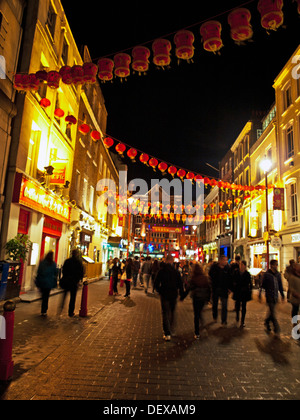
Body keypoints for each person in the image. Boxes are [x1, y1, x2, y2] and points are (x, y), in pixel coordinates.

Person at [154, 254, 185, 341]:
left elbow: (156, 283)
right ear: (172, 261)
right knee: (172, 312)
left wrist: (160, 291)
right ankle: (171, 329)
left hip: (164, 294)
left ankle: (167, 333)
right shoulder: (176, 271)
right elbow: (180, 284)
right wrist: (182, 294)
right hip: (173, 294)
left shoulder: (161, 271)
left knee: (165, 313)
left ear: (165, 260)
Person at [261, 259, 284, 336]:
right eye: (276, 265)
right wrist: (260, 293)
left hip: (275, 296)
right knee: (273, 312)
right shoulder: (267, 274)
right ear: (272, 265)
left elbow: (280, 285)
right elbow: (263, 285)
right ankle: (276, 328)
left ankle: (267, 321)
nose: (277, 266)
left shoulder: (278, 274)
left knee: (271, 311)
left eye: (277, 264)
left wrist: (282, 295)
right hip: (269, 295)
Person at [59, 249, 84, 317]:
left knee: (64, 295)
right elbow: (81, 272)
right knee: (72, 298)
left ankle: (60, 309)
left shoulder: (67, 261)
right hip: (74, 282)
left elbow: (63, 270)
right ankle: (70, 312)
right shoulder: (78, 262)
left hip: (67, 280)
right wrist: (79, 279)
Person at [189, 263, 211, 339]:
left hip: (196, 298)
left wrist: (183, 296)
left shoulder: (193, 278)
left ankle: (197, 332)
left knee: (196, 314)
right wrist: (208, 299)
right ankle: (203, 326)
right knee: (200, 312)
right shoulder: (205, 277)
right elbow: (209, 288)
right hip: (203, 298)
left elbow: (190, 287)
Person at [209, 255, 231, 326]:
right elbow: (210, 276)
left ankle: (224, 320)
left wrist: (230, 288)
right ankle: (214, 316)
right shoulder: (214, 268)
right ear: (220, 261)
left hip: (224, 289)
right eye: (224, 260)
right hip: (216, 288)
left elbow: (230, 278)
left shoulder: (227, 268)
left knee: (224, 305)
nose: (226, 261)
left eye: (226, 260)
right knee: (215, 304)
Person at [35, 251, 58, 316]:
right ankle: (44, 310)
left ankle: (43, 307)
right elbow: (55, 273)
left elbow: (38, 271)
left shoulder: (42, 263)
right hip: (49, 283)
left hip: (42, 282)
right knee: (46, 296)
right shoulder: (53, 264)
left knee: (43, 295)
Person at [232, 260, 252, 328]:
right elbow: (233, 280)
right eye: (240, 264)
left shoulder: (247, 274)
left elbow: (250, 283)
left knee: (244, 306)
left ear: (245, 266)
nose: (241, 266)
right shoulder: (236, 272)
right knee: (237, 305)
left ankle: (242, 320)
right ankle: (237, 315)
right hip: (237, 291)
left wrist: (250, 291)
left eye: (242, 265)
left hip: (244, 292)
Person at [288, 263, 300, 329]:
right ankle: (295, 325)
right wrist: (295, 294)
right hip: (295, 298)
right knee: (295, 311)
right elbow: (291, 288)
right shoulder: (292, 277)